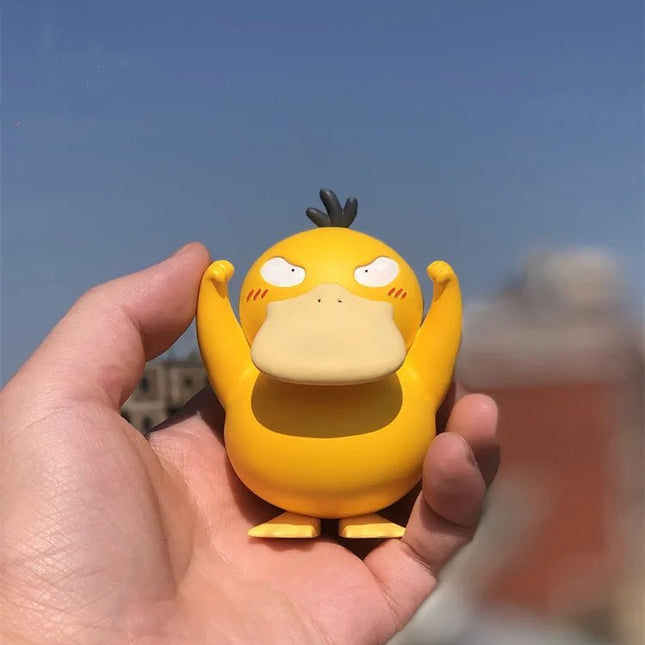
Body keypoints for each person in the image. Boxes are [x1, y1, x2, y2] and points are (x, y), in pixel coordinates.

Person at [0, 243, 499, 644]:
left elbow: (436, 347)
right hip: (284, 497)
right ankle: (300, 515)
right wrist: (214, 297)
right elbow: (224, 349)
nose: (327, 296)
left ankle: (351, 516)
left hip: (376, 494)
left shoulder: (409, 380)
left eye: (369, 277)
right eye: (290, 276)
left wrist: (445, 297)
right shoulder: (250, 381)